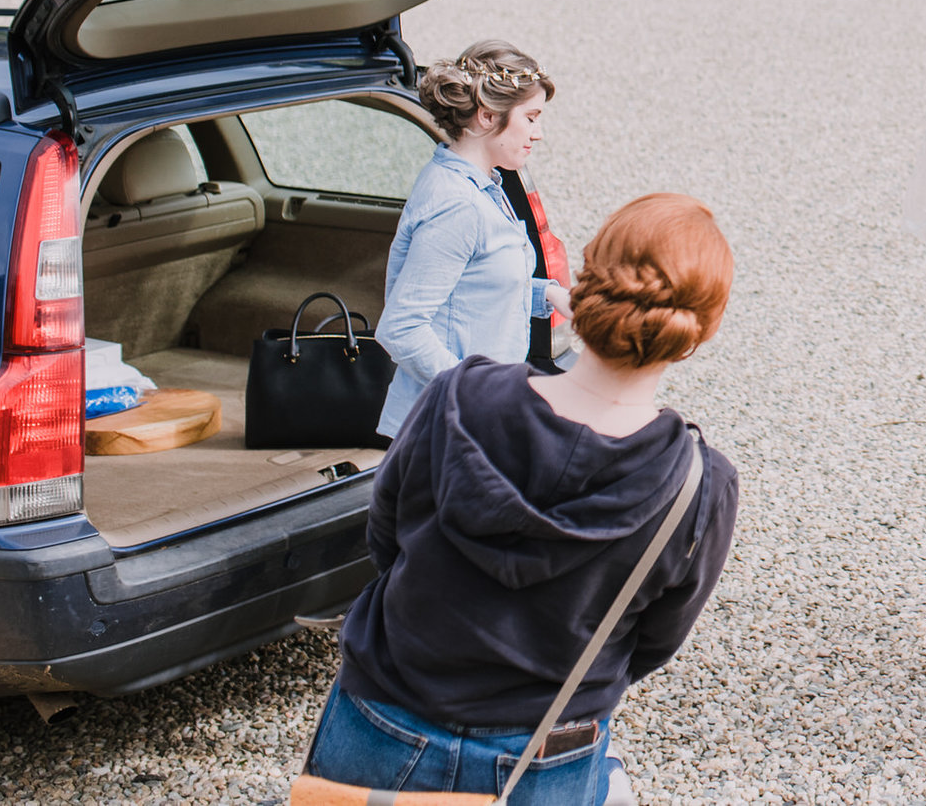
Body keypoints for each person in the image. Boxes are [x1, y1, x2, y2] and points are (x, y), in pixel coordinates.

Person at [305, 193, 741, 805]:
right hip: (543, 748)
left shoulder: (460, 395)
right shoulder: (699, 484)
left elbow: (385, 536)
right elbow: (652, 642)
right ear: (699, 331)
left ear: (586, 282)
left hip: (385, 712)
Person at [376, 41, 569, 440]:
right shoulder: (458, 205)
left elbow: (474, 287)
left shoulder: (485, 187)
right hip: (446, 430)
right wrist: (478, 395)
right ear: (485, 117)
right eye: (531, 118)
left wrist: (549, 295)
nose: (539, 133)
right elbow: (401, 328)